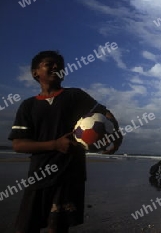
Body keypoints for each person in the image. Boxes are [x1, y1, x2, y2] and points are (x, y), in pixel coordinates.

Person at [8, 51, 123, 233]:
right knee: (26, 227)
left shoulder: (75, 96)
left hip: (70, 175)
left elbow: (104, 113)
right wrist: (54, 145)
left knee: (58, 227)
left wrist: (117, 133)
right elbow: (18, 144)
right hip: (39, 175)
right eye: (49, 64)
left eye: (60, 65)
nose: (56, 67)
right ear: (35, 72)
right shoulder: (28, 106)